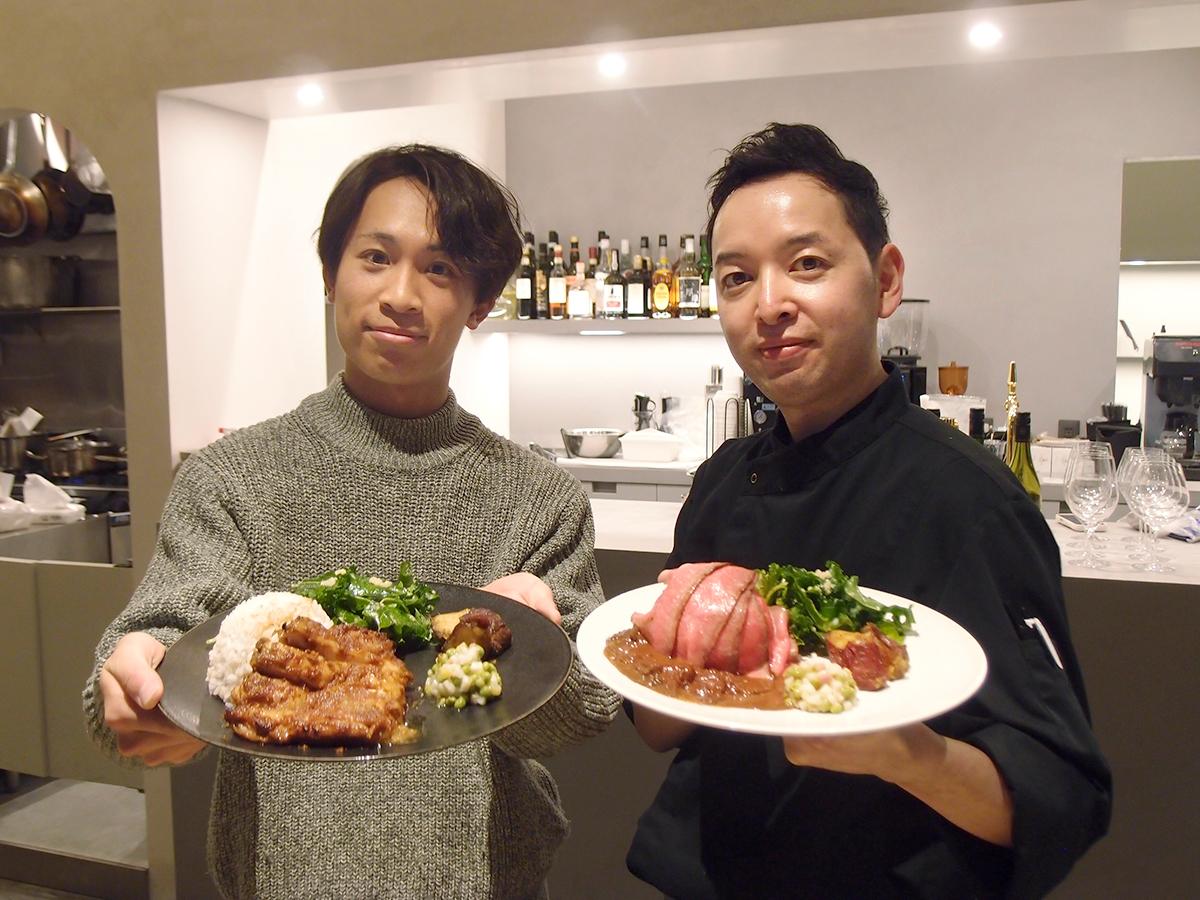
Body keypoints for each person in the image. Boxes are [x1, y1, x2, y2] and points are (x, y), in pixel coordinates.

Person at [83, 143, 620, 899]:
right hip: (283, 878)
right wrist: (133, 687)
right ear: (330, 275)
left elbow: (584, 713)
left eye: (440, 269)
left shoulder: (540, 497)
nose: (401, 294)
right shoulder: (232, 477)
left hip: (484, 878)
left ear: (479, 304)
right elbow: (164, 634)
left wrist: (536, 648)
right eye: (375, 257)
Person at [626, 123, 1112, 899]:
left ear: (885, 281)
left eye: (807, 264)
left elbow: (1062, 796)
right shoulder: (721, 481)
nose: (769, 304)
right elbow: (661, 729)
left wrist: (908, 756)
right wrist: (662, 636)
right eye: (736, 278)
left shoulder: (967, 499)